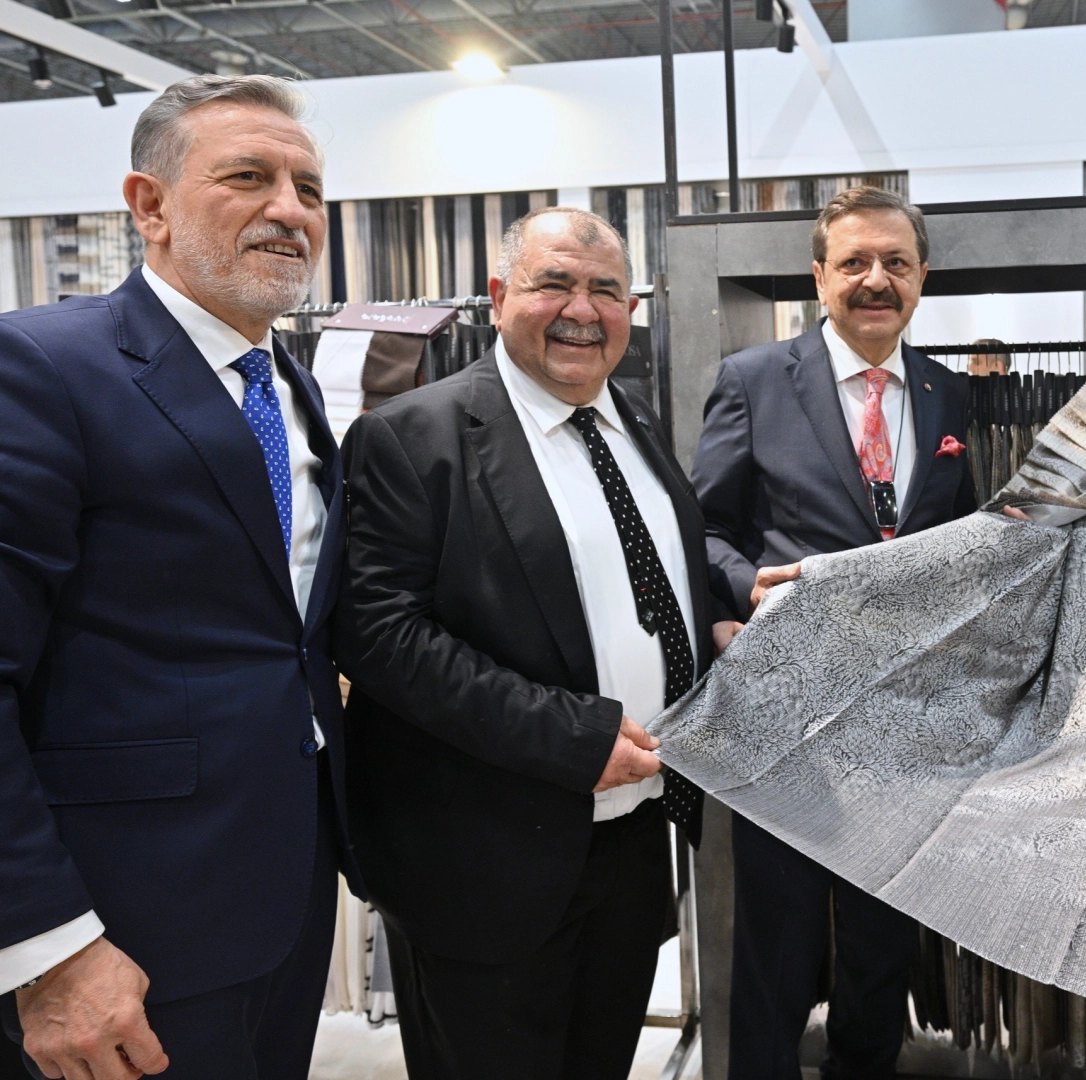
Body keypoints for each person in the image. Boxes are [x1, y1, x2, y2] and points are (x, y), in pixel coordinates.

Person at [0, 75, 353, 1080]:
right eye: (248, 177)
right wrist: (46, 945)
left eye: (308, 189)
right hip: (117, 933)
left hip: (283, 899)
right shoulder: (42, 367)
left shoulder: (287, 387)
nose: (289, 209)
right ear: (148, 205)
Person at [336, 207, 729, 1080]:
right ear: (499, 295)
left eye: (605, 291)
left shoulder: (631, 420)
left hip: (631, 847)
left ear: (632, 310)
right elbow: (382, 638)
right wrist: (572, 739)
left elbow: (641, 567)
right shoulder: (412, 435)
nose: (582, 311)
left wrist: (714, 619)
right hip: (485, 863)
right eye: (555, 284)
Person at [693, 186, 978, 1079]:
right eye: (854, 262)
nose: (875, 280)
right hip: (786, 713)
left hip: (905, 722)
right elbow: (703, 529)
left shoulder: (946, 394)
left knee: (882, 945)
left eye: (895, 262)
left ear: (923, 277)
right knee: (777, 944)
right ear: (819, 276)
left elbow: (960, 540)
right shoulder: (752, 380)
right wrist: (745, 585)